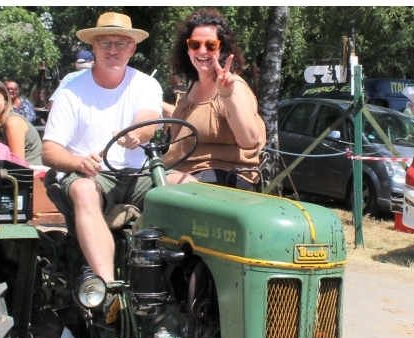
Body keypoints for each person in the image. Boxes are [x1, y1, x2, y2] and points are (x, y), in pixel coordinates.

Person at [42, 12, 162, 290]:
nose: (113, 50)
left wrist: (137, 133)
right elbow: (49, 152)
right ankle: (108, 290)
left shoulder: (145, 84)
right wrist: (79, 162)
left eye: (121, 44)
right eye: (106, 43)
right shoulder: (72, 92)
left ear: (132, 49)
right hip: (92, 175)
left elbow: (147, 122)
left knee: (186, 187)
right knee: (84, 191)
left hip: (138, 174)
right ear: (93, 46)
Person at [162, 8, 266, 189]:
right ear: (187, 50)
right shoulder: (193, 85)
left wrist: (228, 95)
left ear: (222, 50)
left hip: (225, 179)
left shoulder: (234, 87)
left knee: (162, 185)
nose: (202, 51)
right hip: (184, 175)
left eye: (210, 45)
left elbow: (249, 140)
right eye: (195, 44)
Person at [0, 78, 44, 166]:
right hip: (7, 174)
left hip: (32, 175)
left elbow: (17, 165)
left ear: (5, 99)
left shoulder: (13, 122)